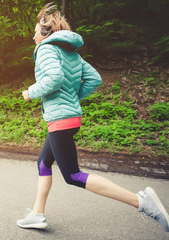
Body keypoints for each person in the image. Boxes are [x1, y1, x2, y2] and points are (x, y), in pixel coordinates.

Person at [17, 2, 169, 232]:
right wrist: (74, 97)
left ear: (46, 30)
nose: (33, 36)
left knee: (73, 175)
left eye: (36, 30)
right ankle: (37, 214)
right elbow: (95, 79)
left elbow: (55, 78)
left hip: (61, 119)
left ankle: (142, 202)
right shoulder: (71, 53)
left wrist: (32, 92)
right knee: (43, 162)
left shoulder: (46, 49)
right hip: (68, 118)